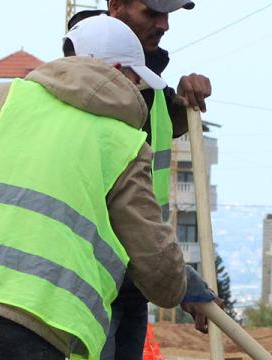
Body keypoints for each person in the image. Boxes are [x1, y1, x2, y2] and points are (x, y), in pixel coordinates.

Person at [0, 15, 202, 360]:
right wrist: (183, 286)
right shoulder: (123, 142)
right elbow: (158, 274)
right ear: (120, 71)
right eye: (138, 81)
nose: (140, 91)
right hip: (38, 321)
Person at [65, 2, 217, 357]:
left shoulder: (154, 85)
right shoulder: (84, 82)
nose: (164, 25)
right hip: (91, 276)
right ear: (115, 6)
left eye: (168, 14)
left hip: (136, 277)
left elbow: (157, 133)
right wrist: (180, 283)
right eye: (151, 12)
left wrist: (181, 104)